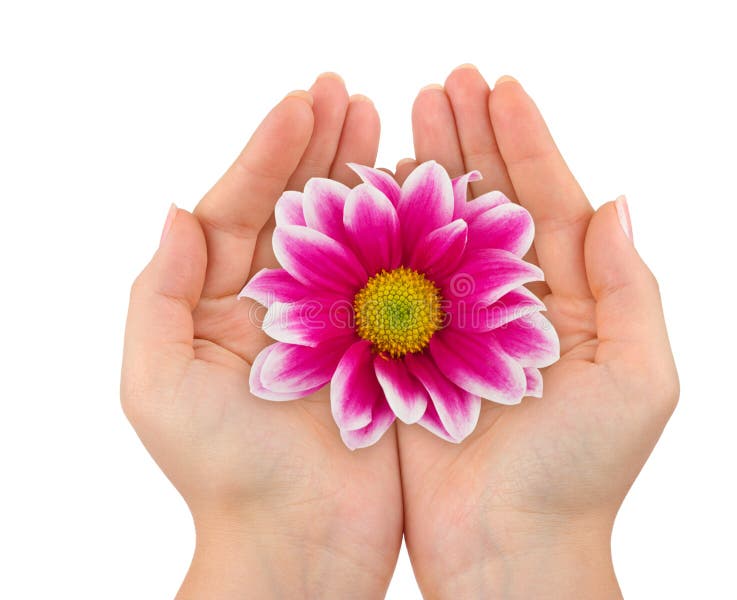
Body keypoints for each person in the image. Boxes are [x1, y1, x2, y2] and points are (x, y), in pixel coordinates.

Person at [121, 65, 679, 599]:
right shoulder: (325, 335)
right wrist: (264, 524)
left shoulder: (474, 347)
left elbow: (515, 346)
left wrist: (542, 535)